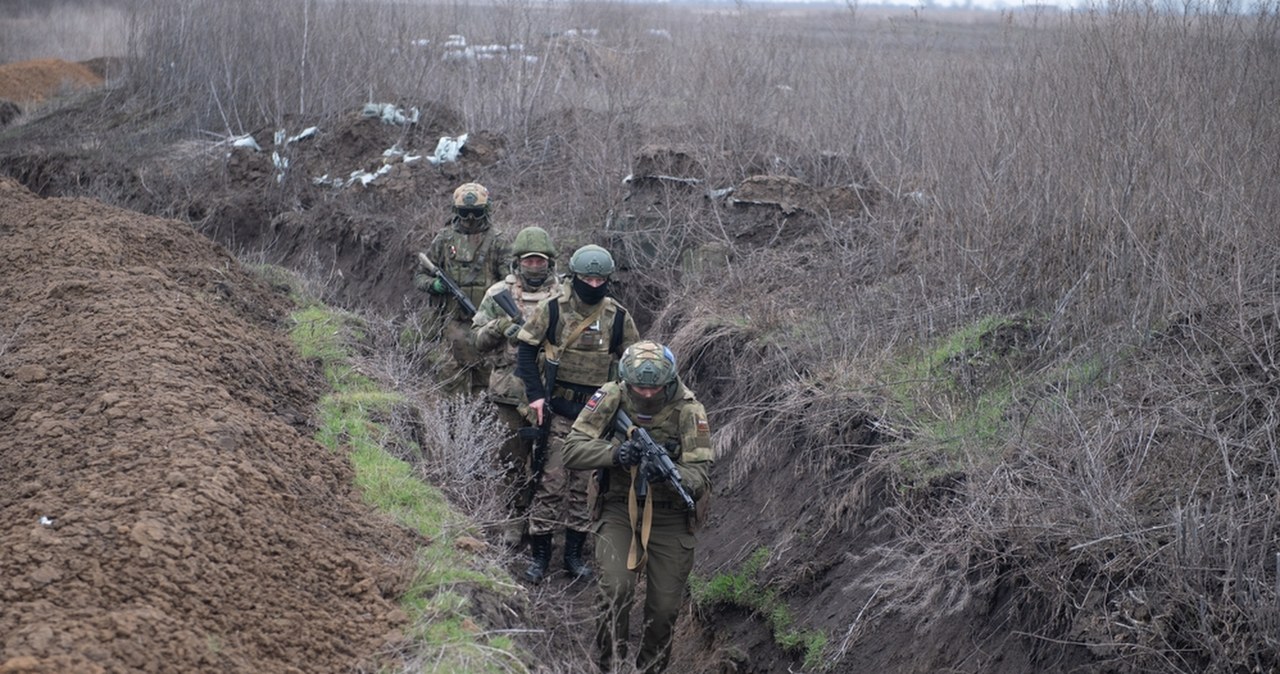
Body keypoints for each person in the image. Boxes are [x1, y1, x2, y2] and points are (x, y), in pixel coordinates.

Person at [562, 340, 713, 674]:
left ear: (669, 381)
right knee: (615, 591)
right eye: (639, 388)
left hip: (671, 516)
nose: (646, 394)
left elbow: (700, 476)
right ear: (626, 381)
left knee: (663, 611)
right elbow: (571, 450)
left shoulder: (689, 410)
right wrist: (615, 455)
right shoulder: (612, 396)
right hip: (618, 506)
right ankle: (609, 666)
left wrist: (671, 475)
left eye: (654, 387)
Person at [514, 244, 640, 583]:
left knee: (584, 487)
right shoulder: (552, 309)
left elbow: (632, 363)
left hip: (597, 415)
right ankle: (539, 555)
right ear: (575, 276)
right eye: (588, 279)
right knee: (550, 482)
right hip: (557, 410)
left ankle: (573, 556)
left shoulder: (618, 317)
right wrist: (537, 397)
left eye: (601, 280)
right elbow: (525, 352)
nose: (594, 286)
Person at [471, 226, 563, 547]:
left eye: (540, 261)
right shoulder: (500, 293)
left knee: (548, 462)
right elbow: (478, 341)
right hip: (509, 392)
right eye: (529, 261)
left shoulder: (563, 295)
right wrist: (502, 326)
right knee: (511, 458)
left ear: (549, 262)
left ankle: (543, 521)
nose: (534, 267)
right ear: (518, 262)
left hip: (550, 390)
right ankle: (514, 517)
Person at [413, 182, 507, 398]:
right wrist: (435, 286)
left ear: (486, 211)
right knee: (450, 391)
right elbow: (419, 276)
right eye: (466, 213)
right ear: (457, 212)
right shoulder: (444, 239)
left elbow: (509, 282)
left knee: (488, 392)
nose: (471, 219)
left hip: (487, 329)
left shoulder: (498, 242)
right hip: (449, 328)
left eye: (476, 213)